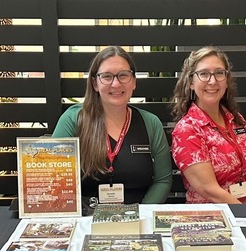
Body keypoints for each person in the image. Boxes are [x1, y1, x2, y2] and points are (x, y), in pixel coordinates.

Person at [51, 46, 172, 210]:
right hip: (85, 219)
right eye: (107, 76)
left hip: (138, 220)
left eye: (123, 75)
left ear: (134, 81)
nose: (116, 84)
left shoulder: (150, 123)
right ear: (95, 83)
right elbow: (55, 180)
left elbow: (162, 180)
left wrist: (141, 213)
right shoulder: (73, 120)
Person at [170, 46, 246, 204]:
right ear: (191, 82)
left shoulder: (236, 119)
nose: (212, 81)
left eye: (219, 73)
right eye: (203, 74)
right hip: (216, 215)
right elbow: (209, 190)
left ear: (226, 80)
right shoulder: (187, 130)